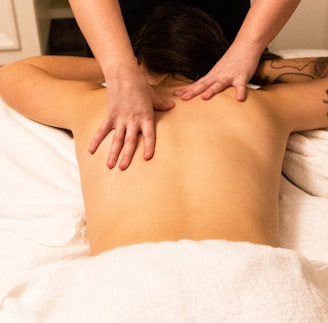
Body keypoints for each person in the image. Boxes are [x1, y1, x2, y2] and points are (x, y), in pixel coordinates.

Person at [0, 3, 327, 256]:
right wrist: (255, 62)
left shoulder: (95, 105)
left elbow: (13, 74)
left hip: (124, 277)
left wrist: (125, 70)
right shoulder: (260, 106)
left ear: (143, 60)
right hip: (248, 271)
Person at [68, 0, 301, 170]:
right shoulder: (262, 107)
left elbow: (30, 72)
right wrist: (119, 70)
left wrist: (248, 49)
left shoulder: (89, 104)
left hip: (220, 32)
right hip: (119, 27)